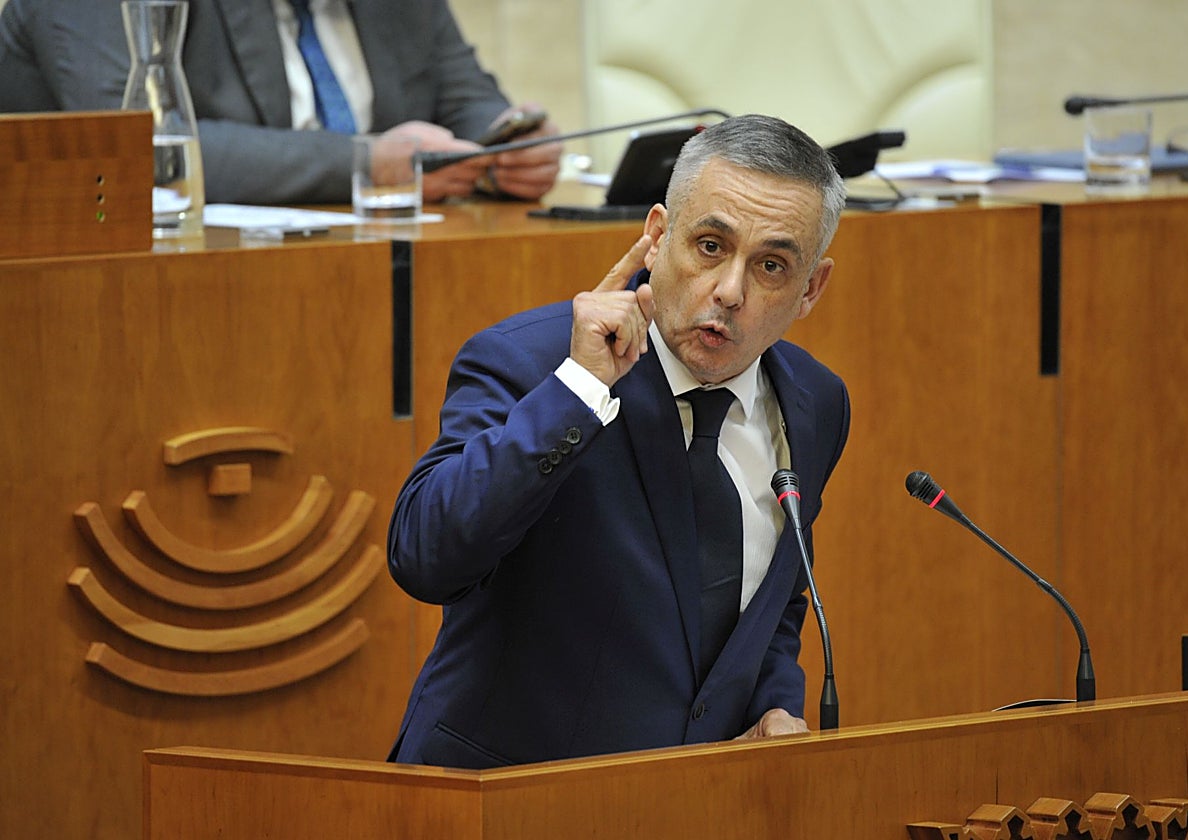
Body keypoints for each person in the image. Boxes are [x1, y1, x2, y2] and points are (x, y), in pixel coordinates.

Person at [385, 113, 850, 768]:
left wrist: (776, 704)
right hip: (503, 800)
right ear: (657, 238)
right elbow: (425, 557)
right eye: (710, 246)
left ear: (811, 289)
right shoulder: (528, 364)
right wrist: (576, 390)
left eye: (771, 265)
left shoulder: (815, 404)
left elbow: (775, 600)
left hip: (679, 808)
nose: (729, 291)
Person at [0, 0, 561, 205]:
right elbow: (139, 147)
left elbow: (465, 94)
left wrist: (510, 144)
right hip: (104, 300)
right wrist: (367, 165)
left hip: (376, 285)